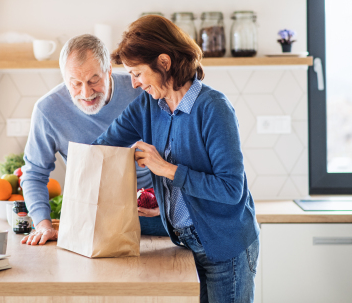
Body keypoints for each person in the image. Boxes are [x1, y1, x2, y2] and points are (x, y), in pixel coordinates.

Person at [93, 15, 260, 303]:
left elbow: (231, 190)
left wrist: (166, 170)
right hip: (185, 244)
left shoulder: (213, 109)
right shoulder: (148, 105)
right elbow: (102, 148)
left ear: (164, 62)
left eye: (137, 73)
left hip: (225, 246)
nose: (133, 83)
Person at [20, 34, 168, 245]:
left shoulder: (141, 91)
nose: (86, 92)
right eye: (75, 83)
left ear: (108, 70)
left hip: (152, 215)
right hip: (92, 220)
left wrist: (167, 203)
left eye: (93, 80)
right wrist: (43, 224)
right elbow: (34, 174)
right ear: (64, 79)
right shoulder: (47, 110)